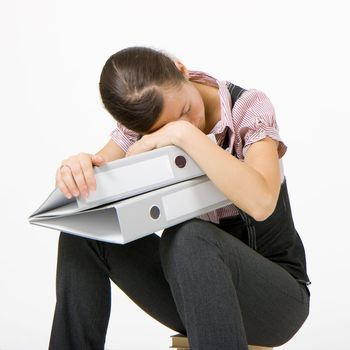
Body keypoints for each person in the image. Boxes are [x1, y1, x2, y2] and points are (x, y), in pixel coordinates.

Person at [49, 46, 311, 350]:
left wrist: (184, 136)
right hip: (194, 292)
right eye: (165, 128)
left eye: (186, 111)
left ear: (181, 69)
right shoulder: (144, 122)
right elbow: (99, 175)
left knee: (187, 236)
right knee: (84, 230)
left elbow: (262, 202)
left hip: (274, 301)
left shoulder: (248, 108)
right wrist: (78, 168)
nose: (187, 124)